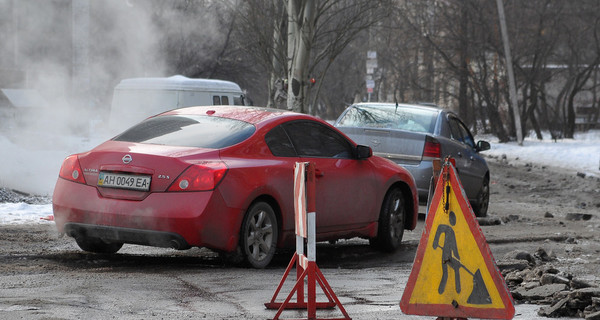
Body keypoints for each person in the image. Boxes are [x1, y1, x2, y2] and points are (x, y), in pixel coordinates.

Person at [432, 211, 461, 294]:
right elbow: (439, 229)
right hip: (446, 257)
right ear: (450, 219)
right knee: (446, 273)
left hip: (449, 257)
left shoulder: (452, 231)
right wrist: (435, 242)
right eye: (453, 220)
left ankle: (456, 290)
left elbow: (454, 247)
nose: (454, 222)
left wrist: (458, 257)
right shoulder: (447, 228)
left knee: (454, 270)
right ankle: (453, 290)